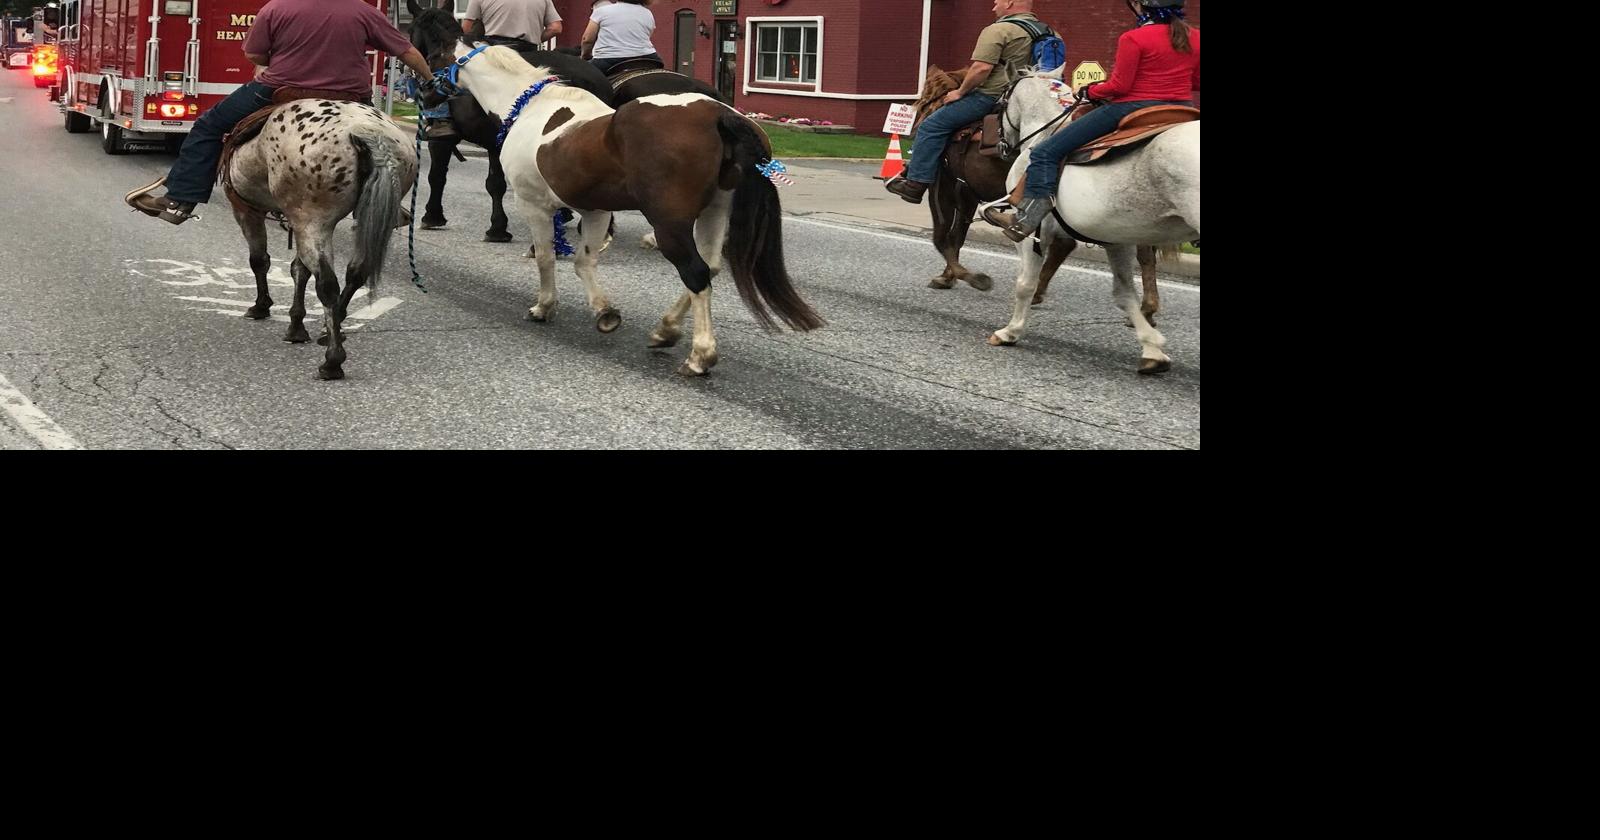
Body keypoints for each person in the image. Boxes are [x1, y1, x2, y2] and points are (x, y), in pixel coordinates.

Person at [125, 0, 434, 226]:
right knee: (379, 143)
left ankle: (180, 199)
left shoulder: (276, 8)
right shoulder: (363, 10)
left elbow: (254, 54)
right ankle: (388, 205)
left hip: (283, 89)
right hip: (350, 95)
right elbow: (406, 51)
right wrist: (430, 80)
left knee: (209, 125)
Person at [983, 0, 1198, 241]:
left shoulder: (1134, 38)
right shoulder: (1195, 37)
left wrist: (1089, 91)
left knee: (1045, 151)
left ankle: (1025, 219)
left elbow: (1120, 86)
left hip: (1132, 107)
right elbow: (1197, 81)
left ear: (1139, 6)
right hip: (1182, 109)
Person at [884, 0, 1044, 204]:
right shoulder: (1049, 34)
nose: (994, 6)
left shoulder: (999, 29)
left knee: (931, 126)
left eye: (997, 2)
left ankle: (915, 184)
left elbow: (981, 68)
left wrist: (960, 92)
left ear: (1010, 3)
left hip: (994, 96)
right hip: (1033, 101)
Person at [423, 0, 563, 138]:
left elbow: (465, 31)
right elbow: (556, 28)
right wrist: (536, 39)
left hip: (493, 53)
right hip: (530, 49)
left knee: (450, 73)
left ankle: (442, 120)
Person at [583, 0, 661, 75]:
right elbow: (648, 35)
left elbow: (587, 40)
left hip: (608, 59)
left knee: (580, 76)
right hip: (647, 57)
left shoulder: (601, 11)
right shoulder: (647, 13)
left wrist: (584, 55)